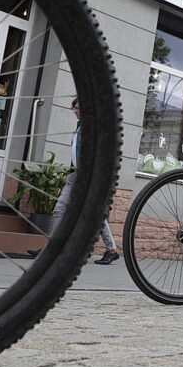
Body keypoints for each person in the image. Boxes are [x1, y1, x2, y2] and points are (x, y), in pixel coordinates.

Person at [55, 98, 119, 264]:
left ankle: (111, 249)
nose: (74, 111)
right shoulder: (81, 126)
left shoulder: (93, 128)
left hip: (90, 176)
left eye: (77, 108)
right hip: (76, 174)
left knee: (95, 213)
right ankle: (54, 246)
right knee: (61, 208)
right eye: (73, 108)